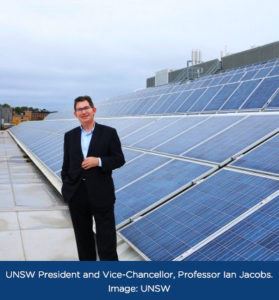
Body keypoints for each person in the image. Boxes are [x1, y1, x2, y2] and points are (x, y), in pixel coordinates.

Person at [61, 95, 125, 261]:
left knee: (107, 241)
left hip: (101, 194)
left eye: (86, 108)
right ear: (75, 114)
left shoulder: (109, 133)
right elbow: (66, 165)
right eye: (79, 109)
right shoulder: (70, 136)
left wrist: (99, 161)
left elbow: (119, 159)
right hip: (77, 195)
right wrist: (67, 188)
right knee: (83, 241)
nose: (83, 112)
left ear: (93, 110)